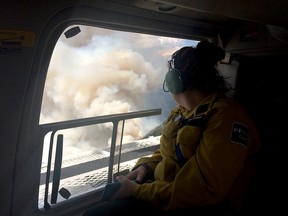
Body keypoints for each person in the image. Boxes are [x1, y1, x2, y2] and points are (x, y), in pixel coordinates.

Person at [83, 40, 260, 215]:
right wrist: (146, 167)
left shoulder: (226, 118)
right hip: (168, 192)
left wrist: (136, 191)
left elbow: (204, 190)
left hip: (205, 206)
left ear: (175, 81)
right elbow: (167, 151)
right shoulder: (182, 112)